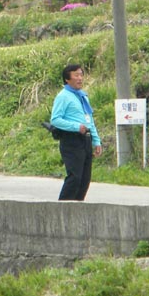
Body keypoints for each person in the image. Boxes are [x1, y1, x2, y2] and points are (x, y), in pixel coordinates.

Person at [50, 64, 102, 201]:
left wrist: (96, 141)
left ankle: (78, 209)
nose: (80, 78)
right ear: (67, 79)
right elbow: (55, 119)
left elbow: (89, 120)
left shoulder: (82, 96)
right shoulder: (63, 96)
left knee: (85, 179)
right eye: (76, 75)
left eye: (81, 75)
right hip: (71, 140)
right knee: (75, 177)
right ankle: (63, 209)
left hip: (85, 140)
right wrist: (76, 127)